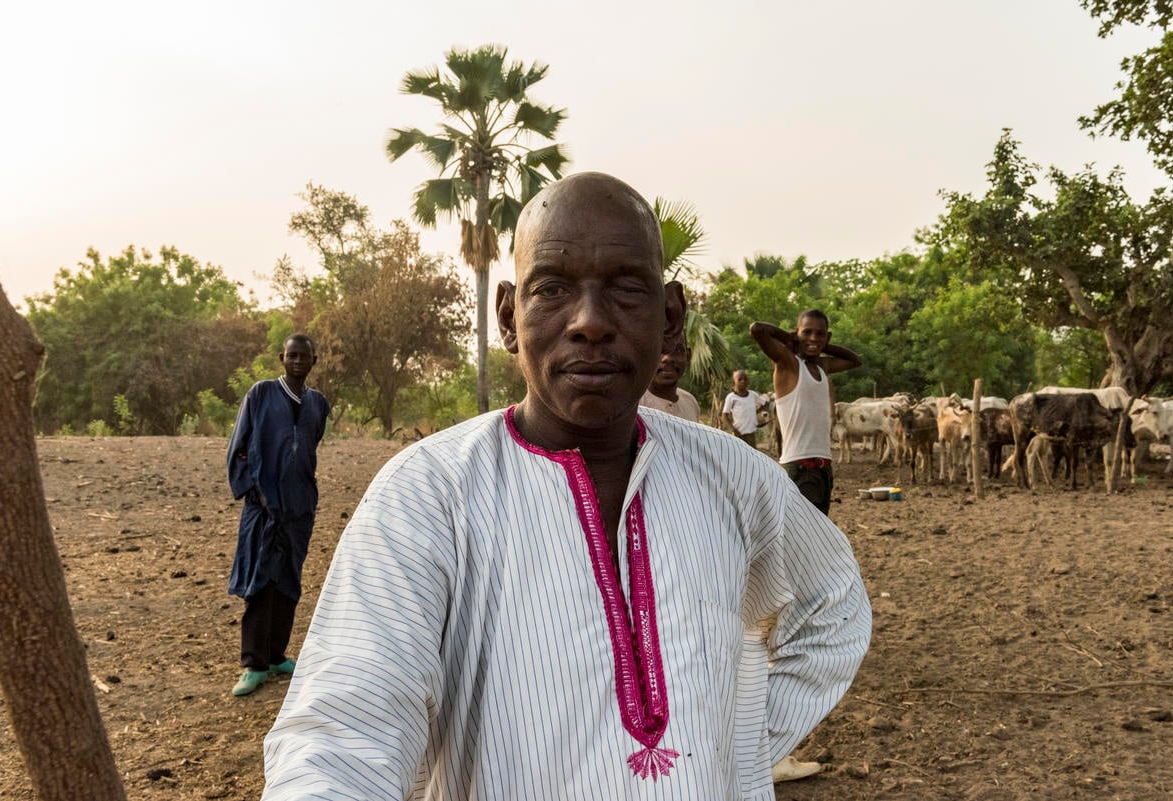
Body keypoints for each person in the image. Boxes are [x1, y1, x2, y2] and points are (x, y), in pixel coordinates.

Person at [261, 173, 870, 800]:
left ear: (670, 318)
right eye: (552, 288)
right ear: (508, 316)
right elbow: (340, 736)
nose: (590, 323)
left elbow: (833, 606)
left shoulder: (734, 476)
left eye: (626, 289)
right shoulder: (427, 494)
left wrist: (732, 747)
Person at [226, 334, 330, 697]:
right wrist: (254, 492)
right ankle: (254, 664)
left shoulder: (318, 404)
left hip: (299, 507)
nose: (298, 361)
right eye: (292, 355)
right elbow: (238, 447)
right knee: (260, 579)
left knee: (288, 579)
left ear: (314, 361)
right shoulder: (261, 394)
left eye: (304, 356)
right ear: (281, 358)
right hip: (263, 507)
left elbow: (309, 445)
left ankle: (276, 656)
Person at [750, 312, 861, 515]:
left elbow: (855, 360)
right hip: (799, 466)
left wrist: (821, 346)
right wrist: (791, 339)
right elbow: (757, 329)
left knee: (817, 530)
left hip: (823, 466)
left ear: (828, 337)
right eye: (807, 332)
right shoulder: (789, 364)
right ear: (796, 333)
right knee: (801, 531)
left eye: (820, 334)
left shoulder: (822, 366)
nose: (813, 338)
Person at [639, 336, 701, 422]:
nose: (667, 358)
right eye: (658, 350)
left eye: (677, 350)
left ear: (687, 356)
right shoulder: (633, 405)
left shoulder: (690, 402)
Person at [722, 369, 770, 447]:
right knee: (739, 453)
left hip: (751, 433)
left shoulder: (753, 394)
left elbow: (765, 403)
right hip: (738, 434)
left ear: (748, 381)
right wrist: (733, 430)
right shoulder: (731, 397)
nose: (743, 381)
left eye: (745, 379)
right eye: (739, 379)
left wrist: (755, 412)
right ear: (734, 383)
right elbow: (724, 416)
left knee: (752, 452)